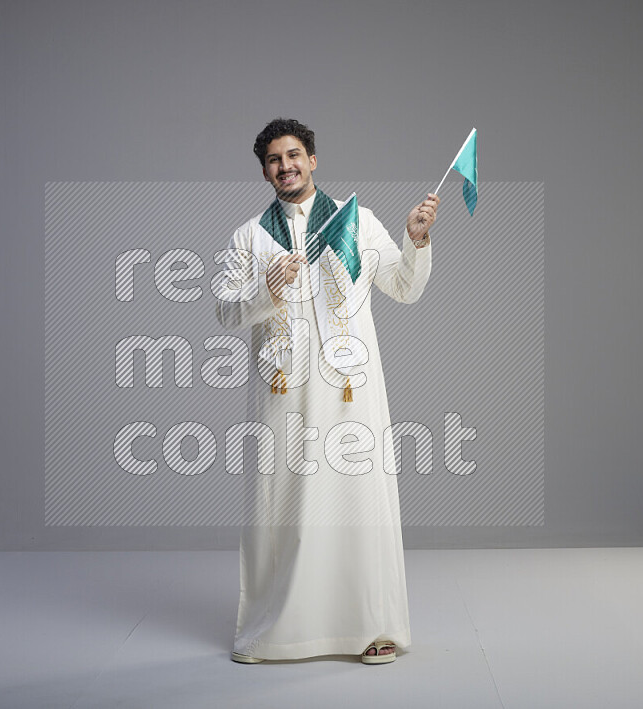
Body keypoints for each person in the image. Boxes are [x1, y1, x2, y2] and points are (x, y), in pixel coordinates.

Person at [214, 117, 438, 664]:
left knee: (360, 501)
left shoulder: (356, 223)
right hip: (284, 394)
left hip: (350, 392)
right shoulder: (251, 236)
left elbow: (404, 288)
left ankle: (372, 627)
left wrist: (416, 239)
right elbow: (223, 310)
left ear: (313, 159)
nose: (285, 166)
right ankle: (279, 629)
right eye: (273, 160)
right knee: (284, 506)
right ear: (265, 171)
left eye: (293, 155)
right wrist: (266, 291)